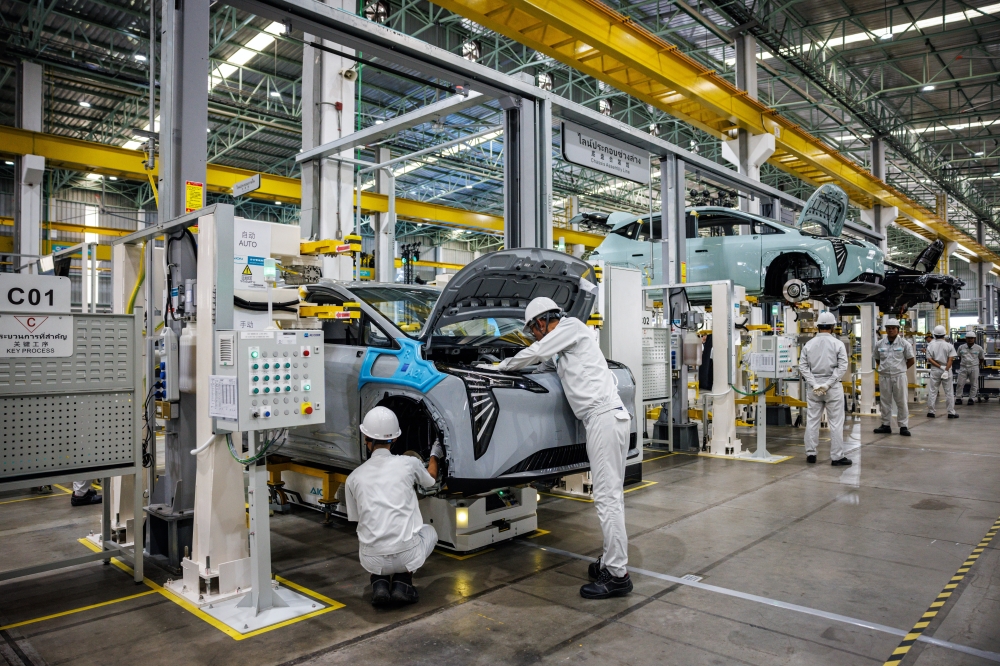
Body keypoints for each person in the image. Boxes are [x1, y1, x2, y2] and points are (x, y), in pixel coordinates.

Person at [497, 296, 633, 599]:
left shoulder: (571, 327)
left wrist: (497, 366)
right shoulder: (562, 344)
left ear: (543, 321)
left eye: (534, 329)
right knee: (610, 498)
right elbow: (540, 363)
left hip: (604, 418)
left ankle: (617, 574)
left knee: (608, 500)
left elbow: (534, 353)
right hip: (603, 419)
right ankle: (612, 562)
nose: (534, 335)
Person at [344, 406, 442, 607]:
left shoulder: (353, 478)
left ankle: (379, 582)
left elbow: (357, 519)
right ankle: (402, 582)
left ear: (365, 438)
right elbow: (431, 480)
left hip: (371, 560)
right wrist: (435, 454)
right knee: (429, 532)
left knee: (370, 534)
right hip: (406, 555)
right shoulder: (409, 463)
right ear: (395, 439)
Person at [798, 312, 851, 466]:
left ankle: (811, 454)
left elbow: (802, 366)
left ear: (818, 326)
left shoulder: (809, 344)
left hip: (814, 388)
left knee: (812, 420)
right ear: (833, 327)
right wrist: (827, 384)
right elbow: (842, 367)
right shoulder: (838, 344)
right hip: (832, 387)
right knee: (835, 422)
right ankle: (837, 457)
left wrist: (814, 384)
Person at [873, 317, 915, 436]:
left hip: (899, 376)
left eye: (893, 328)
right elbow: (877, 358)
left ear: (897, 329)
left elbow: (911, 360)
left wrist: (901, 369)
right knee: (885, 401)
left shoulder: (904, 344)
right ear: (885, 330)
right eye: (888, 328)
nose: (891, 330)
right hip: (884, 376)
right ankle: (885, 425)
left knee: (901, 401)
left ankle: (903, 426)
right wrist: (884, 368)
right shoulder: (879, 344)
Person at [925, 325, 959, 419]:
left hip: (935, 370)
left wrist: (939, 366)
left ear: (934, 335)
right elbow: (950, 359)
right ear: (944, 334)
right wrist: (946, 369)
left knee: (932, 391)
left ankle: (931, 412)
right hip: (946, 370)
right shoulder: (949, 346)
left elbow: (929, 359)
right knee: (949, 392)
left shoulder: (930, 346)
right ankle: (951, 412)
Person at [956, 331, 985, 405]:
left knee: (974, 384)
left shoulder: (979, 348)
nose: (970, 339)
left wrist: (977, 365)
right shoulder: (961, 347)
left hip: (974, 367)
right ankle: (958, 398)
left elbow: (981, 358)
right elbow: (959, 356)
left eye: (971, 338)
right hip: (963, 367)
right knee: (960, 383)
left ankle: (972, 398)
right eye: (968, 338)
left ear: (974, 339)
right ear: (966, 339)